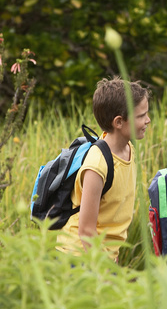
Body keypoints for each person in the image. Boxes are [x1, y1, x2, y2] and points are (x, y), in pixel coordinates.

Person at [58, 77, 151, 261]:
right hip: (80, 257)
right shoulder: (97, 165)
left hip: (104, 254)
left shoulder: (127, 148)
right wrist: (105, 271)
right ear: (118, 122)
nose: (148, 120)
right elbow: (86, 230)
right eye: (141, 116)